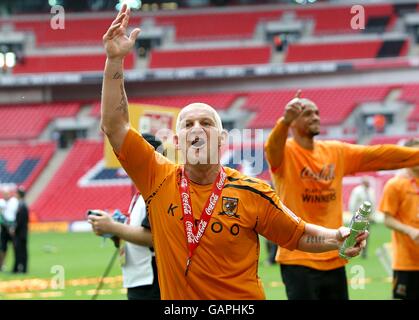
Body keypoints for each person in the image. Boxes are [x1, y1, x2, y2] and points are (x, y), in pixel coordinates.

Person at [99, 4, 367, 300]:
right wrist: (115, 61)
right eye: (188, 124)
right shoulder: (157, 177)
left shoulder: (252, 192)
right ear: (176, 140)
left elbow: (298, 234)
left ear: (222, 139)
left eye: (206, 123)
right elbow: (115, 125)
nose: (198, 129)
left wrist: (336, 238)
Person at [264, 90, 419, 300]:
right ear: (292, 122)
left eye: (317, 113)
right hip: (297, 258)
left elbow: (378, 155)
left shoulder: (335, 152)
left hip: (334, 256)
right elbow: (271, 148)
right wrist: (284, 122)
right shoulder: (286, 152)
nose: (316, 117)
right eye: (308, 113)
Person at [88, 134, 161, 300]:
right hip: (139, 279)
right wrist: (114, 234)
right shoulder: (141, 193)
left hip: (151, 281)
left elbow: (154, 238)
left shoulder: (157, 191)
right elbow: (138, 235)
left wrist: (114, 227)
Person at [379, 138, 419, 300]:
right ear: (405, 158)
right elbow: (387, 219)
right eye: (413, 154)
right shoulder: (395, 185)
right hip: (406, 262)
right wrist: (410, 230)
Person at [348, 176, 376, 258]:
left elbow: (373, 204)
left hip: (368, 218)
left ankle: (364, 252)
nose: (368, 184)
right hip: (358, 217)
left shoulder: (371, 191)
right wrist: (354, 215)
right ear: (363, 182)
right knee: (356, 235)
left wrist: (373, 215)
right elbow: (352, 204)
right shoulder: (357, 191)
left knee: (366, 235)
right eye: (366, 182)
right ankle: (352, 250)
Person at [0, 187, 19, 271]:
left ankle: (17, 265)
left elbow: (17, 214)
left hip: (13, 227)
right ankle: (2, 265)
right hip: (4, 228)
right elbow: (1, 217)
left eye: (7, 193)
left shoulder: (14, 202)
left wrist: (13, 226)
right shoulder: (1, 202)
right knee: (3, 248)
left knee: (16, 247)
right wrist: (7, 226)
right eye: (4, 193)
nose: (5, 195)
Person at [12, 186, 29, 273]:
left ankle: (21, 268)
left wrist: (14, 228)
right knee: (21, 250)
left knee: (20, 251)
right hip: (22, 232)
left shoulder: (22, 206)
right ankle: (20, 268)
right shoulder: (21, 204)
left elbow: (20, 221)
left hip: (20, 233)